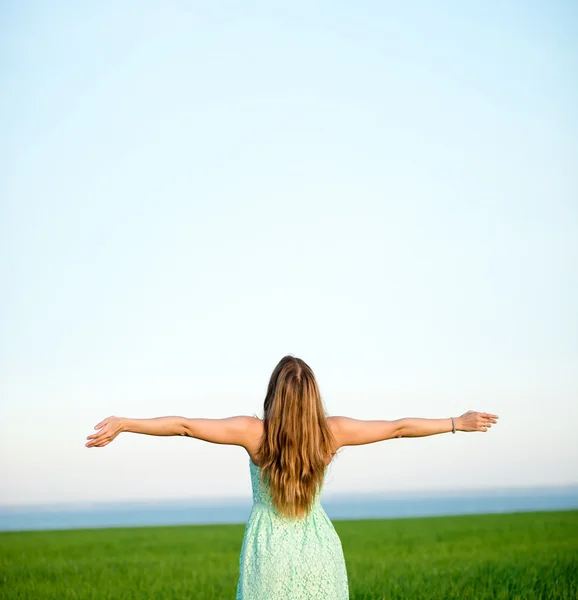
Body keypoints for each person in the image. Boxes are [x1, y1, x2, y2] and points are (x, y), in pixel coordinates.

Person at [85, 355, 499, 599]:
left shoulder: (254, 433)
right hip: (319, 547)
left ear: (274, 394)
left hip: (268, 550)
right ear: (313, 397)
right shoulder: (331, 433)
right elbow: (396, 428)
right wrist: (455, 422)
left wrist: (125, 422)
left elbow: (185, 426)